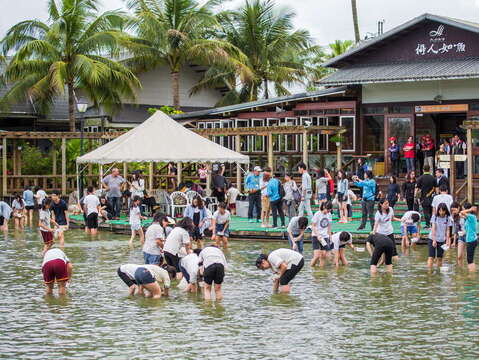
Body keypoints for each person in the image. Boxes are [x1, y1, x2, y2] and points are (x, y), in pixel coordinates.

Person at [427, 203, 452, 270]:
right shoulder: (434, 217)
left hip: (442, 240)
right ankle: (429, 272)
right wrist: (434, 240)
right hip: (432, 238)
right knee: (431, 257)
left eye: (443, 211)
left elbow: (448, 230)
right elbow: (433, 229)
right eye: (440, 210)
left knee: (440, 258)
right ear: (438, 210)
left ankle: (438, 272)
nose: (441, 212)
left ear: (445, 210)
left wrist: (447, 240)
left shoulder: (447, 218)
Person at [310, 201, 333, 267]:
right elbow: (313, 226)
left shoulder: (329, 215)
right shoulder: (317, 214)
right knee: (316, 256)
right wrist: (318, 235)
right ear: (324, 207)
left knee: (324, 255)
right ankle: (312, 268)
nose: (329, 211)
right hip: (316, 236)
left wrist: (330, 236)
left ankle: (321, 271)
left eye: (330, 209)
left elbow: (329, 227)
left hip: (325, 236)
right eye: (328, 209)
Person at [461, 203, 477, 272]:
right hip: (470, 240)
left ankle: (472, 275)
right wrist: (464, 233)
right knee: (469, 259)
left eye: (463, 208)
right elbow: (461, 214)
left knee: (470, 260)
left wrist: (469, 209)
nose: (462, 210)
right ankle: (472, 272)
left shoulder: (471, 216)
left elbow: (462, 212)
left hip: (471, 240)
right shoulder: (469, 217)